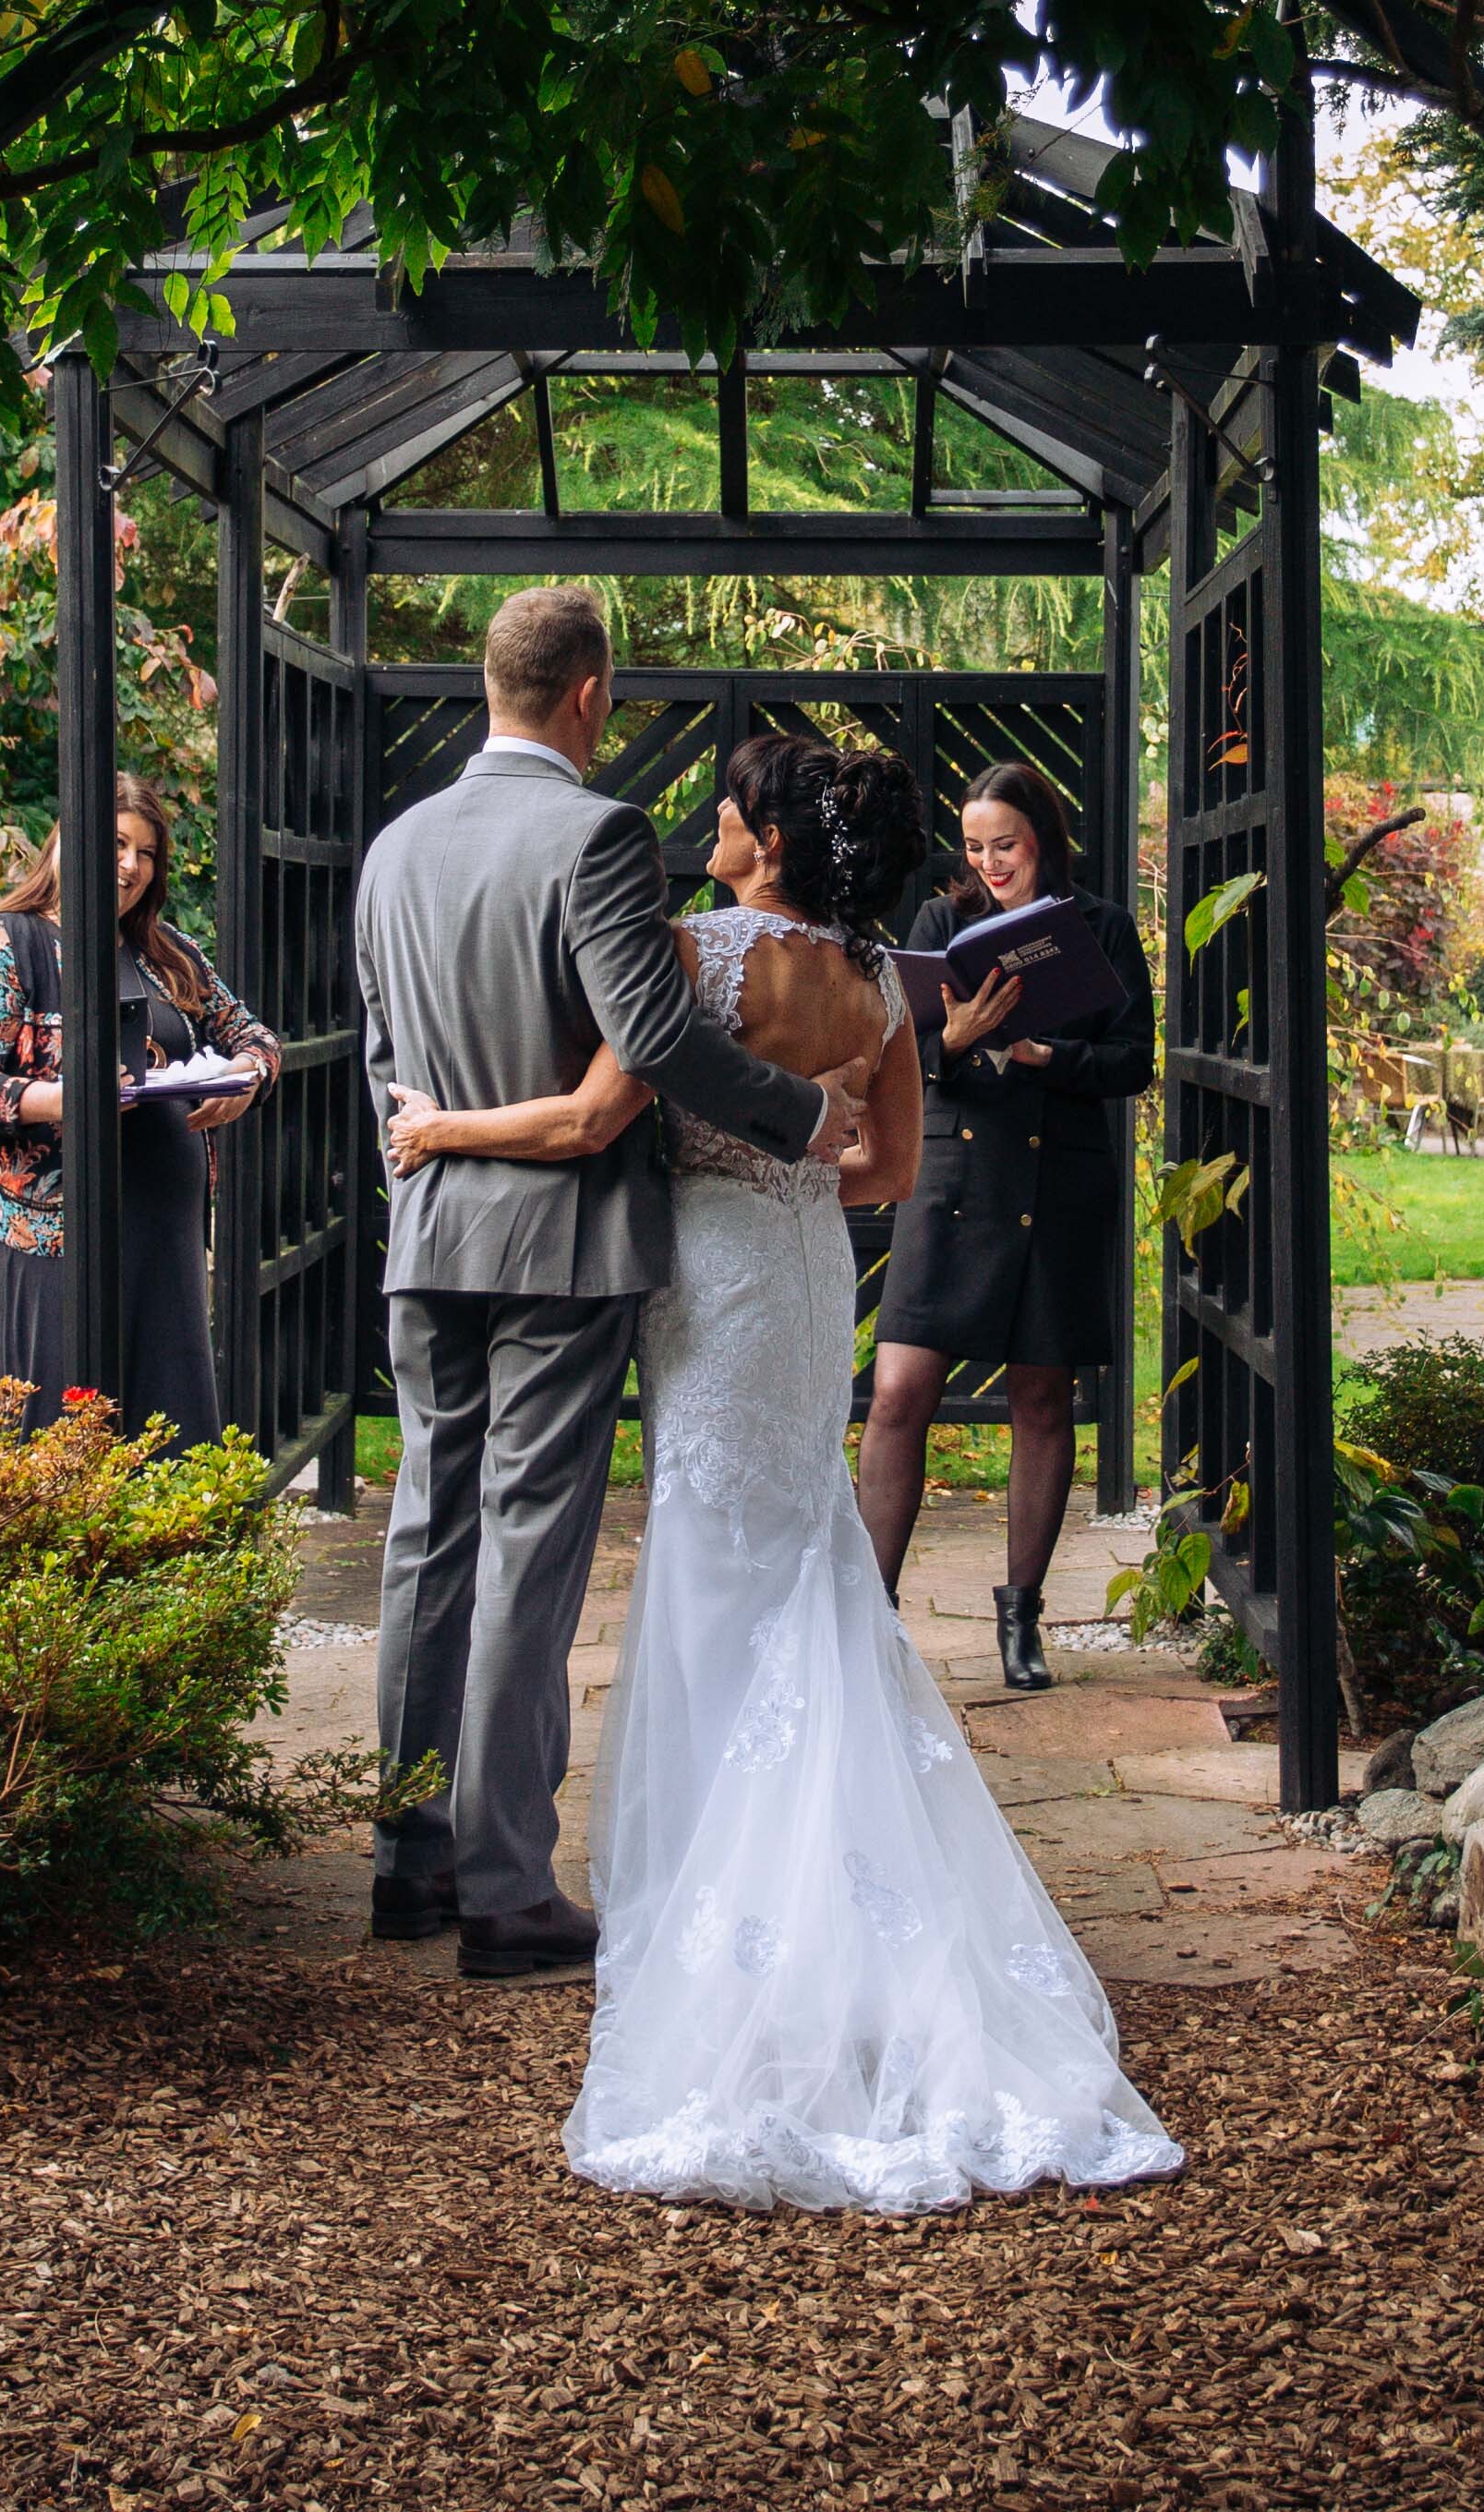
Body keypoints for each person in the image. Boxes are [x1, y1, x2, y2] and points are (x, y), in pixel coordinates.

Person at [390, 726, 1183, 2213]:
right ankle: (837, 1892)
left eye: (733, 811)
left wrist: (438, 1125)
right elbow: (883, 1173)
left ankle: (724, 1898)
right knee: (802, 1550)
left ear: (771, 838)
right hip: (811, 1272)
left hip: (712, 1273)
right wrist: (797, 1157)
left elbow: (586, 1120)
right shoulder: (881, 983)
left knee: (711, 1568)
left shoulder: (695, 955)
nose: (710, 822)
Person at [349, 586, 861, 1986]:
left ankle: (408, 1862)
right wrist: (804, 1119)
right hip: (562, 1247)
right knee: (525, 1549)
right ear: (587, 697)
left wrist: (425, 1163)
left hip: (431, 1227)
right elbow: (652, 1038)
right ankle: (507, 1886)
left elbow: (381, 1057)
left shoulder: (395, 847)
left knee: (424, 1533)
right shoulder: (598, 835)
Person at [863, 761, 1153, 1683]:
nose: (990, 862)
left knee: (1041, 1398)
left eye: (1008, 845)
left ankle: (1021, 1619)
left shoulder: (1101, 926)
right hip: (951, 1174)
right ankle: (872, 1613)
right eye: (977, 846)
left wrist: (1044, 1051)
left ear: (1044, 839)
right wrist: (945, 1041)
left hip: (1056, 1179)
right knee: (900, 1390)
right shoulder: (942, 923)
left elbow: (1133, 1059)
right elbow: (889, 1043)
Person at [0, 772, 271, 1443]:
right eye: (116, 844)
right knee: (64, 1440)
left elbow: (254, 1036)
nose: (130, 866)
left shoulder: (166, 952)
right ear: (67, 843)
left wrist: (246, 1076)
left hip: (165, 1235)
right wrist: (65, 1102)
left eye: (146, 854)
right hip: (53, 1239)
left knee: (173, 1442)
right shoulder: (5, 942)